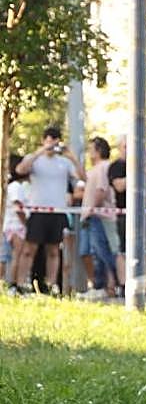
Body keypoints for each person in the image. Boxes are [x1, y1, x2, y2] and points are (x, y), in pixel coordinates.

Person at [12, 125, 82, 295]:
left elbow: (82, 177)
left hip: (57, 211)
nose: (51, 145)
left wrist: (72, 157)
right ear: (44, 140)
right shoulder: (35, 159)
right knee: (29, 249)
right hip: (37, 211)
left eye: (54, 141)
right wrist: (41, 151)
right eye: (49, 140)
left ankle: (51, 285)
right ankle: (20, 284)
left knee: (53, 250)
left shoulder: (64, 162)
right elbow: (20, 170)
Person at [109, 136, 146, 298]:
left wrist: (139, 146)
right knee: (124, 252)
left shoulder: (142, 161)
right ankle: (124, 286)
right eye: (125, 146)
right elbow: (119, 186)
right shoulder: (116, 166)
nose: (128, 150)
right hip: (125, 214)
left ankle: (143, 287)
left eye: (130, 147)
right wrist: (136, 172)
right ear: (120, 148)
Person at [79, 136, 118, 296]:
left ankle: (105, 284)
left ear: (99, 150)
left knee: (101, 252)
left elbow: (101, 190)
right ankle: (97, 284)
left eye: (91, 149)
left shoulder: (104, 167)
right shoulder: (93, 169)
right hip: (90, 215)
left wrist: (92, 208)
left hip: (99, 215)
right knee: (87, 251)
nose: (89, 152)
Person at [2, 155, 28, 288]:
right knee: (16, 256)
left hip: (9, 224)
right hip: (16, 226)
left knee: (8, 257)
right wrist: (25, 223)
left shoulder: (10, 186)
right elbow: (18, 206)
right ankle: (12, 284)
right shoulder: (16, 186)